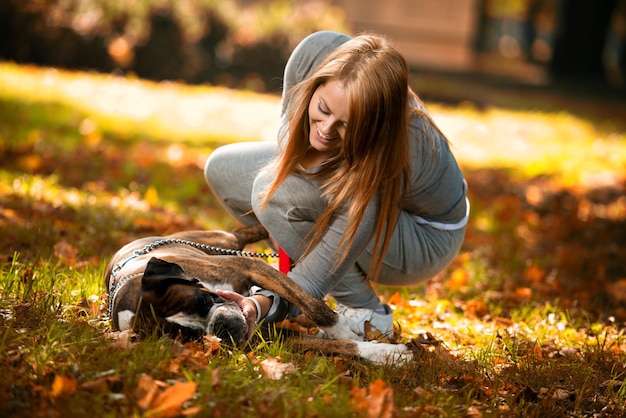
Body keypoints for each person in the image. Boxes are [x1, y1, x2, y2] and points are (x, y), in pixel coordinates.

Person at [204, 31, 469, 340]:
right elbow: (290, 151)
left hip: (425, 235)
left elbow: (336, 232)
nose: (326, 130)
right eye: (323, 109)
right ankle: (300, 265)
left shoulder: (398, 145)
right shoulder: (311, 55)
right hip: (357, 189)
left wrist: (264, 303)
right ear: (316, 84)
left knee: (277, 194)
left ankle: (366, 313)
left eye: (346, 125)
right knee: (224, 169)